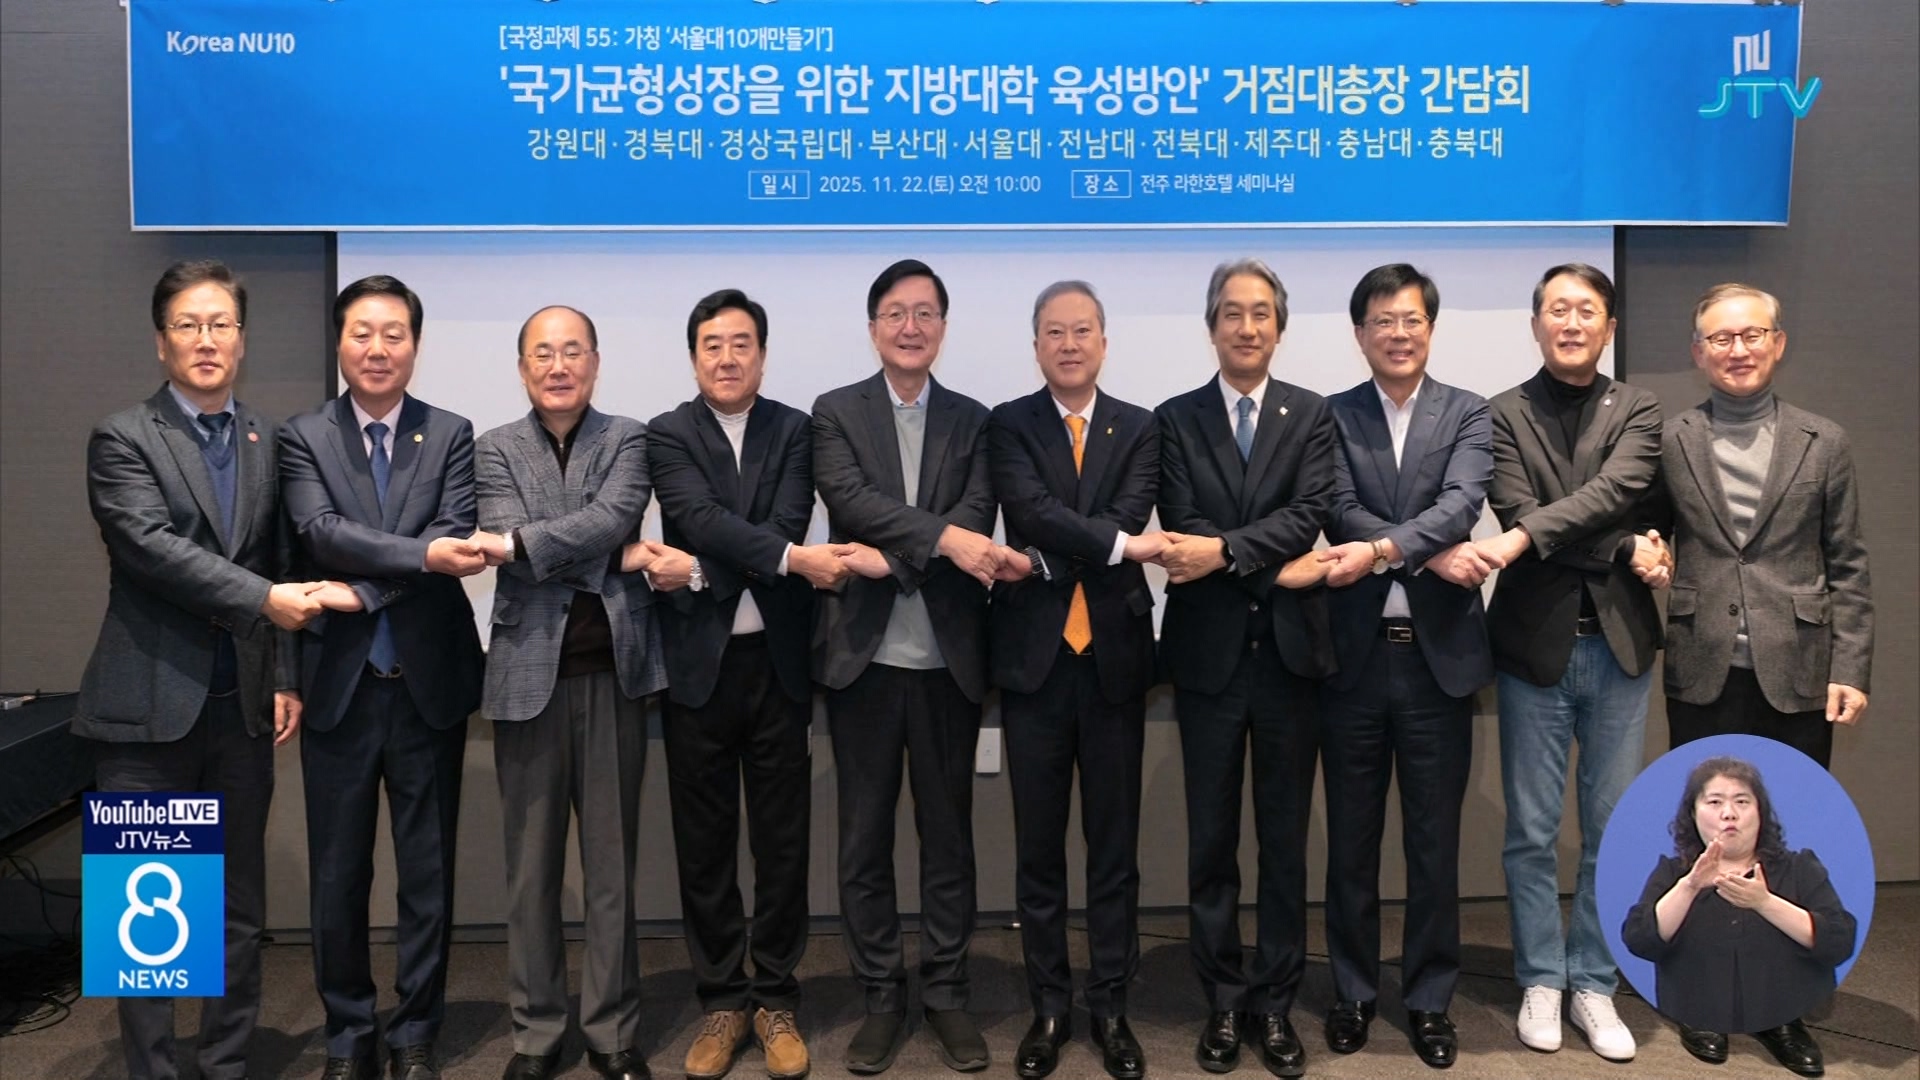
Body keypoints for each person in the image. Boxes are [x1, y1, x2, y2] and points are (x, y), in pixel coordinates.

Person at [74, 259, 337, 1080]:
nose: (206, 339)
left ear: (241, 339)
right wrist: (264, 600)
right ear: (162, 342)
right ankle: (154, 1070)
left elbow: (279, 558)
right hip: (147, 710)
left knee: (235, 905)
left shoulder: (266, 439)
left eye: (221, 323)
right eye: (188, 324)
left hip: (241, 708)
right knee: (148, 912)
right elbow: (151, 550)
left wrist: (284, 675)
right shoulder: (123, 436)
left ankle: (226, 1064)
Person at [280, 275, 487, 1080]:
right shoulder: (303, 437)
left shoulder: (451, 433)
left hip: (427, 685)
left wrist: (365, 589)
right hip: (339, 687)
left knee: (427, 873)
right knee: (338, 874)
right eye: (362, 332)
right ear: (340, 341)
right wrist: (416, 557)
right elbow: (320, 533)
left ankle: (415, 1032)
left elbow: (454, 539)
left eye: (394, 333)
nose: (378, 348)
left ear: (415, 344)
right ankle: (348, 1034)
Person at [1295, 264, 1494, 1069]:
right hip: (1352, 660)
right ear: (1359, 333)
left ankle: (1429, 999)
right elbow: (1335, 506)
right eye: (1382, 321)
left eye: (1411, 319)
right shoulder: (1329, 416)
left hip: (1437, 662)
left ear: (1430, 328)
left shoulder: (1469, 412)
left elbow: (1464, 502)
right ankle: (1351, 991)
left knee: (1434, 844)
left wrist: (1383, 549)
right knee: (1351, 839)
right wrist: (1423, 550)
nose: (1398, 333)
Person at [648, 289, 849, 1080]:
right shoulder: (667, 434)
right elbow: (699, 516)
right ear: (692, 356)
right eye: (713, 345)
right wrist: (777, 559)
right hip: (698, 670)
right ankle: (722, 1001)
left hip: (778, 667)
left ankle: (775, 998)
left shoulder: (796, 430)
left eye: (741, 344)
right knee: (704, 846)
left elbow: (787, 522)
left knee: (781, 842)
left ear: (761, 355)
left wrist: (700, 571)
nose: (727, 358)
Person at [810, 259, 998, 1074]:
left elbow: (978, 511)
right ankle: (882, 995)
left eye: (925, 313)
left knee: (948, 837)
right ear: (873, 327)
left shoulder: (976, 420)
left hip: (949, 660)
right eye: (895, 312)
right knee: (864, 842)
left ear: (943, 328)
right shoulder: (835, 412)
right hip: (864, 662)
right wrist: (943, 542)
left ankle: (948, 992)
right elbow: (849, 500)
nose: (910, 326)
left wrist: (897, 558)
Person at [1480, 263, 1668, 1064]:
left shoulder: (1641, 409)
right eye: (1557, 309)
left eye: (1587, 310)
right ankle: (1540, 978)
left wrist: (1535, 536)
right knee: (1529, 830)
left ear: (1609, 326)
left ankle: (1593, 980)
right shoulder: (1499, 413)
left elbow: (1618, 488)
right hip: (1534, 648)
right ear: (1536, 324)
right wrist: (1622, 545)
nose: (1571, 322)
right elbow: (1518, 508)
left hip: (1621, 646)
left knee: (1612, 827)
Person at [1154, 258, 1337, 1079]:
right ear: (1212, 326)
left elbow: (1310, 514)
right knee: (1212, 842)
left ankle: (1276, 1003)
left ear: (1280, 326)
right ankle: (1224, 1000)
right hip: (1208, 661)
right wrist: (1261, 563)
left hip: (1291, 659)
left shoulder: (1313, 414)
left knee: (1285, 844)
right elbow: (1181, 523)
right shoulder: (1174, 418)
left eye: (1261, 312)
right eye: (1232, 312)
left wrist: (1226, 554)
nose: (1247, 326)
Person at [470, 305, 659, 1080]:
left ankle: (612, 1032)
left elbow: (609, 518)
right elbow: (526, 537)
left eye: (572, 351)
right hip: (526, 680)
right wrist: (613, 556)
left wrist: (525, 544)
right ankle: (537, 1034)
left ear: (595, 362)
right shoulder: (492, 448)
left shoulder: (630, 439)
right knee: (531, 874)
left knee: (612, 872)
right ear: (523, 368)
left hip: (614, 674)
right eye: (542, 353)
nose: (558, 366)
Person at [986, 281, 1162, 1080]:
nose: (1068, 344)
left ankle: (1111, 1007)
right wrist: (1112, 548)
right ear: (1036, 346)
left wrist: (1061, 554)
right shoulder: (1009, 423)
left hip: (1115, 663)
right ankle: (1050, 1007)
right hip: (1035, 664)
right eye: (1053, 332)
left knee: (1114, 850)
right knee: (1039, 850)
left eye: (1081, 330)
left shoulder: (1141, 426)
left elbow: (1128, 513)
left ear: (1103, 342)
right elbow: (1028, 510)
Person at [1656, 283, 1872, 768]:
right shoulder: (1671, 441)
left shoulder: (1824, 441)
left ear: (1778, 342)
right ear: (1699, 352)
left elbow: (1848, 565)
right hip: (1702, 668)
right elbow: (1648, 532)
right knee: (1703, 808)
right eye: (1721, 339)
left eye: (1752, 335)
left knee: (1795, 809)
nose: (1738, 351)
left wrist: (1850, 670)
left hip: (1800, 669)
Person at [1621, 756, 1858, 1077]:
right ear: (1693, 814)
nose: (1728, 813)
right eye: (1714, 802)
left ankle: (1781, 1022)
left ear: (1760, 813)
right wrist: (1689, 887)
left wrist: (1765, 903)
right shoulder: (1674, 871)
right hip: (1695, 1002)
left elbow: (1839, 942)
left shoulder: (1799, 867)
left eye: (1742, 801)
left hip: (1785, 1003)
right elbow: (1639, 940)